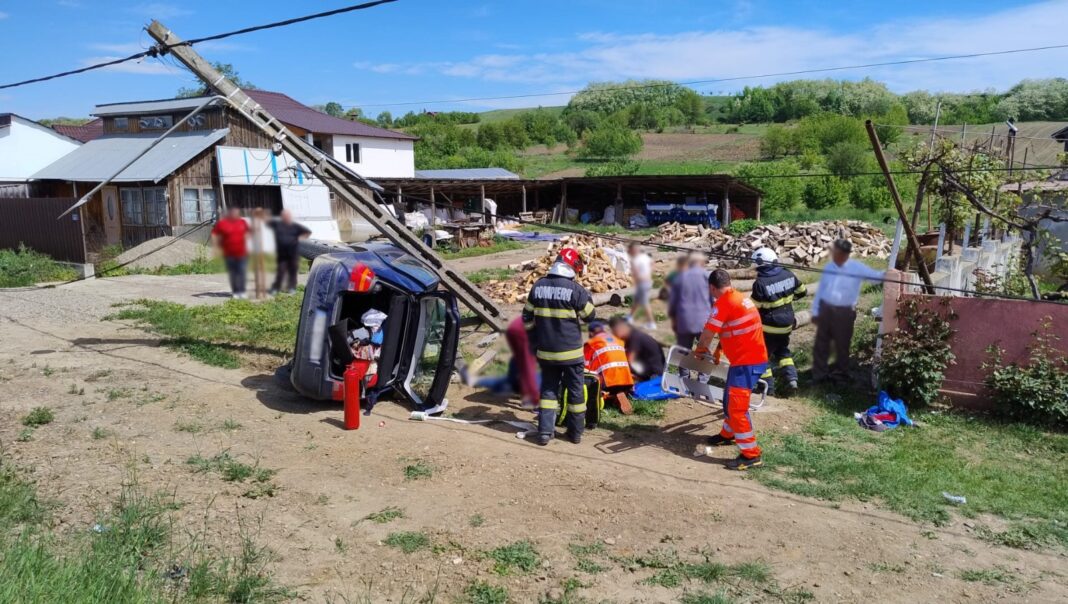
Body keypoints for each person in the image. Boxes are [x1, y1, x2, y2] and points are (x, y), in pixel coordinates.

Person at [695, 269, 769, 471]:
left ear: (712, 287)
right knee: (729, 398)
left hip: (747, 362)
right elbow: (734, 329)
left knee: (737, 408)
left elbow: (708, 334)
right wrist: (720, 348)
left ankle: (751, 455)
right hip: (749, 360)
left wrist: (700, 351)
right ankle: (727, 435)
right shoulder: (739, 298)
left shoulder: (723, 304)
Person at [522, 248, 596, 445]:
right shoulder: (576, 290)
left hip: (546, 352)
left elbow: (526, 318)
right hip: (571, 354)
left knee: (548, 391)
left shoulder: (537, 286)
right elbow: (590, 316)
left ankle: (545, 432)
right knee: (576, 393)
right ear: (572, 267)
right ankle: (575, 433)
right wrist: (587, 297)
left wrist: (535, 337)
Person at [811, 239, 885, 385]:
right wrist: (815, 311)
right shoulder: (829, 268)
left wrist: (889, 273)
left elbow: (874, 278)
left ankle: (840, 374)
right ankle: (819, 375)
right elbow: (821, 290)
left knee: (842, 344)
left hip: (845, 312)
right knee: (821, 343)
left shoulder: (856, 268)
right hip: (826, 309)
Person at [749, 247, 807, 395]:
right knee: (783, 353)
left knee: (761, 356)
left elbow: (754, 307)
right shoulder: (788, 274)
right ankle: (792, 380)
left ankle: (767, 389)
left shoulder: (760, 283)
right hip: (787, 324)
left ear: (761, 264)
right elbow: (802, 292)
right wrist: (787, 300)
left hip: (769, 327)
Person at [584, 320, 634, 414]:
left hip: (609, 383)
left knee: (588, 373)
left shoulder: (591, 343)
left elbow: (585, 367)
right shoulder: (618, 340)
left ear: (591, 333)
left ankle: (607, 394)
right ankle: (620, 392)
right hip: (627, 381)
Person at [667, 254, 712, 349]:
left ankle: (683, 363)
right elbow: (713, 299)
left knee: (683, 350)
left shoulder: (680, 277)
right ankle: (701, 362)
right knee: (703, 350)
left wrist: (673, 319)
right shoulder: (707, 277)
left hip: (684, 320)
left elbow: (673, 302)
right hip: (703, 320)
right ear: (702, 263)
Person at [268, 209, 312, 295]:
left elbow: (308, 232)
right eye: (284, 216)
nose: (286, 217)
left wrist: (300, 238)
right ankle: (276, 288)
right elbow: (266, 222)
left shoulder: (295, 226)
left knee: (293, 271)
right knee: (280, 272)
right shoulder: (277, 225)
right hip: (282, 254)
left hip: (293, 253)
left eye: (287, 216)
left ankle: (292, 288)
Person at [609, 316, 665, 382]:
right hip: (649, 372)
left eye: (615, 332)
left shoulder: (635, 338)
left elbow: (630, 360)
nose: (615, 335)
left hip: (654, 376)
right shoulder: (632, 336)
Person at [211, 207, 250, 299]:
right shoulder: (222, 223)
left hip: (242, 253)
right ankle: (236, 292)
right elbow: (214, 234)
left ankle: (242, 291)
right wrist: (216, 247)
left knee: (242, 272)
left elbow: (248, 233)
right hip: (229, 254)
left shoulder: (242, 222)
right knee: (233, 273)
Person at [627, 243, 655, 329]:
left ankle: (651, 323)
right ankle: (630, 317)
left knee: (645, 303)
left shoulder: (634, 260)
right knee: (637, 300)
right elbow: (652, 263)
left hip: (642, 283)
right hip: (648, 282)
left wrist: (637, 280)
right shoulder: (644, 257)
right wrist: (649, 274)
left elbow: (635, 273)